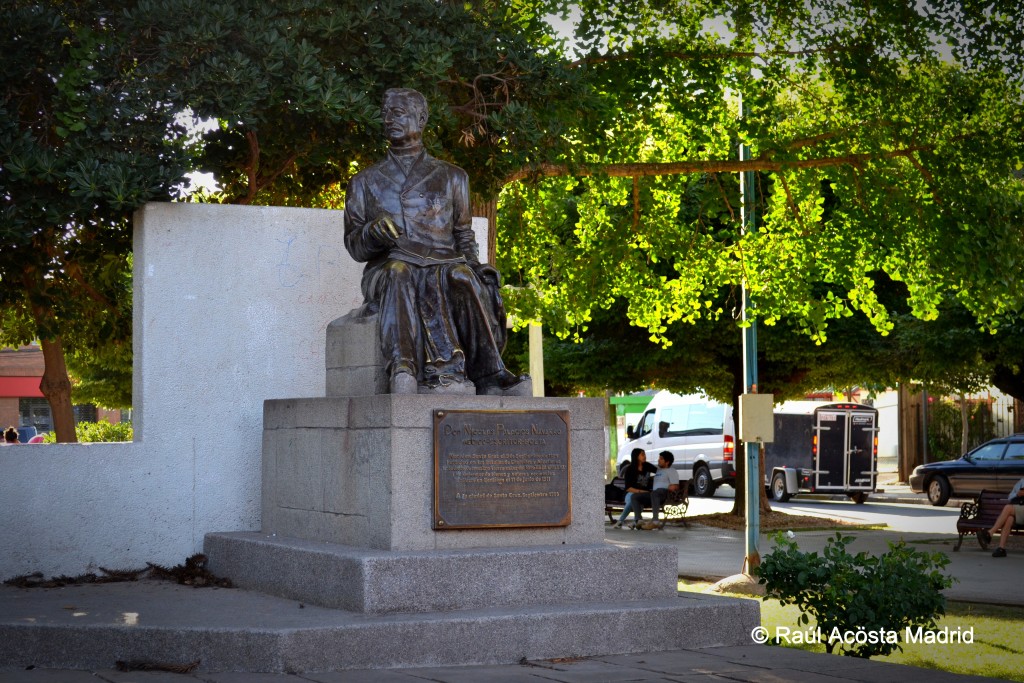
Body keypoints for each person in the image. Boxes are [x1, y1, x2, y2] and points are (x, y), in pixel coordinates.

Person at [343, 88, 528, 396]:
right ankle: (403, 368)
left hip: (443, 264)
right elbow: (354, 245)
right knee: (400, 272)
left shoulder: (453, 176)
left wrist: (476, 265)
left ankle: (491, 374)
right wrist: (372, 233)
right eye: (385, 114)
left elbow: (463, 235)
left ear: (421, 119)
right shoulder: (364, 181)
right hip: (387, 268)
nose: (388, 120)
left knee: (462, 276)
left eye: (398, 113)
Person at [612, 448, 656, 529]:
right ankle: (621, 521)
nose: (644, 456)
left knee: (638, 500)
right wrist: (641, 491)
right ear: (636, 456)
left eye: (644, 454)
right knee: (632, 500)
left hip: (643, 494)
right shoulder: (630, 469)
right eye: (642, 454)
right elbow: (628, 488)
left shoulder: (647, 466)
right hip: (630, 493)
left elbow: (659, 471)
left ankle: (635, 522)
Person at [981, 476, 1024, 557]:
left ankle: (990, 532)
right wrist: (1017, 494)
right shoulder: (1022, 481)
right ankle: (1001, 548)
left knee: (1008, 508)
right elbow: (1010, 496)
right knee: (1009, 518)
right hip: (1019, 509)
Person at [638, 451, 681, 529]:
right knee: (635, 496)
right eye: (659, 458)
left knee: (655, 493)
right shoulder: (658, 470)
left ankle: (655, 521)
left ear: (667, 462)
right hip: (655, 494)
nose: (658, 460)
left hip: (665, 494)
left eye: (661, 459)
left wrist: (668, 487)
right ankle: (638, 520)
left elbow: (675, 486)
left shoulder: (672, 471)